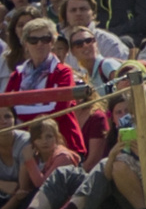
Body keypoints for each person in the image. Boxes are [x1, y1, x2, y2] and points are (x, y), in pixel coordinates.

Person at [4, 17, 86, 156]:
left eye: (45, 39)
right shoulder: (17, 75)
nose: (39, 44)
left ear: (52, 42)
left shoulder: (63, 72)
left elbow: (59, 110)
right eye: (33, 40)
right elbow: (7, 109)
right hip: (27, 149)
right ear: (25, 44)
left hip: (64, 146)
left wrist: (21, 113)